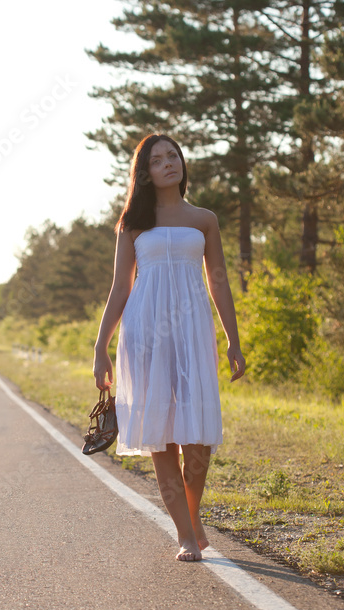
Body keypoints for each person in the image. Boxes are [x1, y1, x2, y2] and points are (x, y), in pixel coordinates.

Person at [93, 132, 246, 562]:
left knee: (196, 438)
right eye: (157, 159)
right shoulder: (133, 223)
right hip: (145, 334)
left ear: (182, 163)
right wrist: (100, 346)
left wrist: (234, 340)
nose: (168, 162)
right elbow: (120, 287)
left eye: (173, 155)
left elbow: (218, 280)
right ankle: (185, 533)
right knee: (162, 437)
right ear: (144, 172)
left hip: (194, 332)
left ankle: (193, 516)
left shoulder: (204, 219)